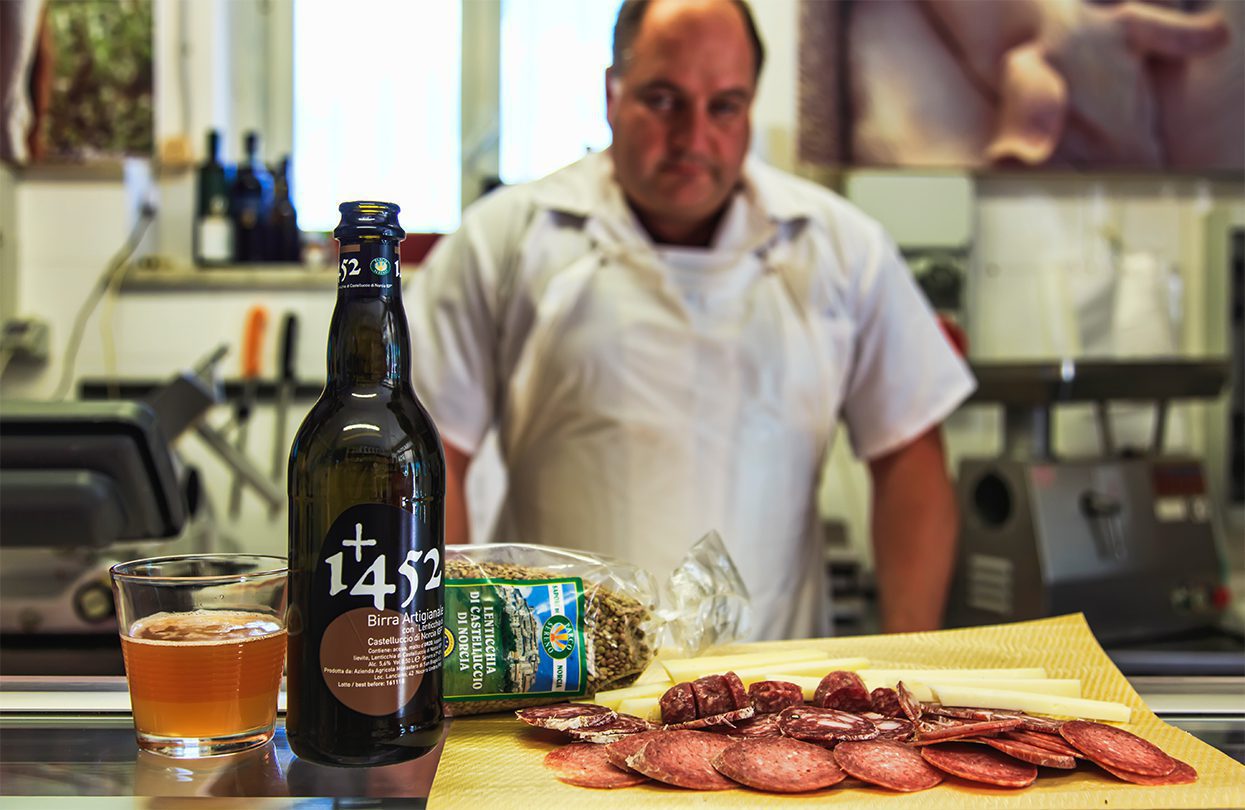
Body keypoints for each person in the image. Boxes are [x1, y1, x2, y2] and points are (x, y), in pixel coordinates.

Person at [408, 0, 975, 641]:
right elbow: (429, 455)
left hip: (772, 689)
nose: (693, 139)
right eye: (663, 100)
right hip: (552, 677)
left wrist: (910, 648)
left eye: (724, 107)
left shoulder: (841, 248)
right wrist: (435, 658)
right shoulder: (505, 240)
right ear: (610, 93)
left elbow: (909, 455)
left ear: (751, 106)